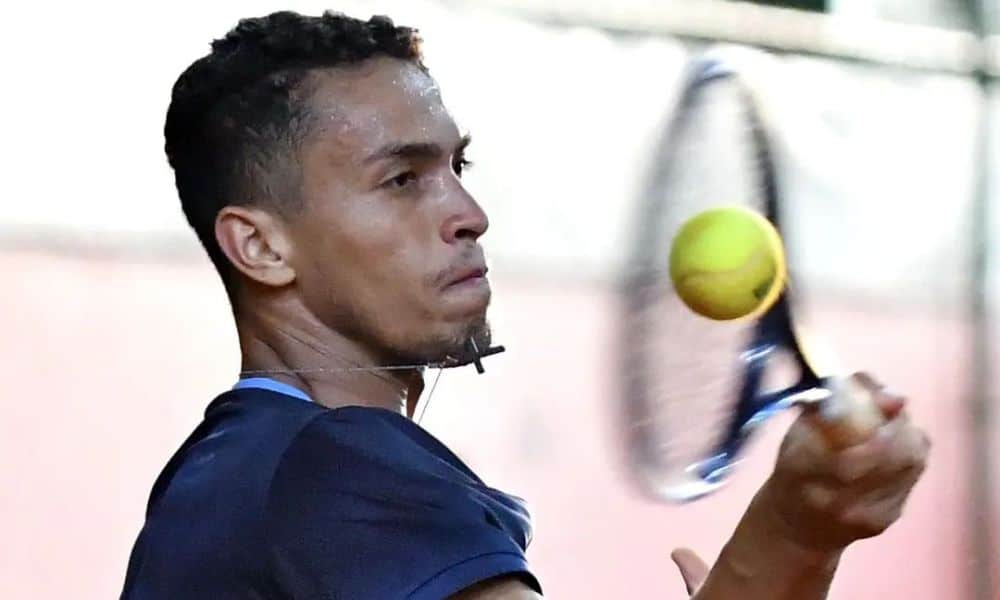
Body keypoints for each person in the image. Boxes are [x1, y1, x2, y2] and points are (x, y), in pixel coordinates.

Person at [120, 11, 930, 600]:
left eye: (458, 167)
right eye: (402, 179)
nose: (469, 214)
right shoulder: (334, 467)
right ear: (261, 247)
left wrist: (787, 547)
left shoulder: (220, 478)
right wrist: (793, 530)